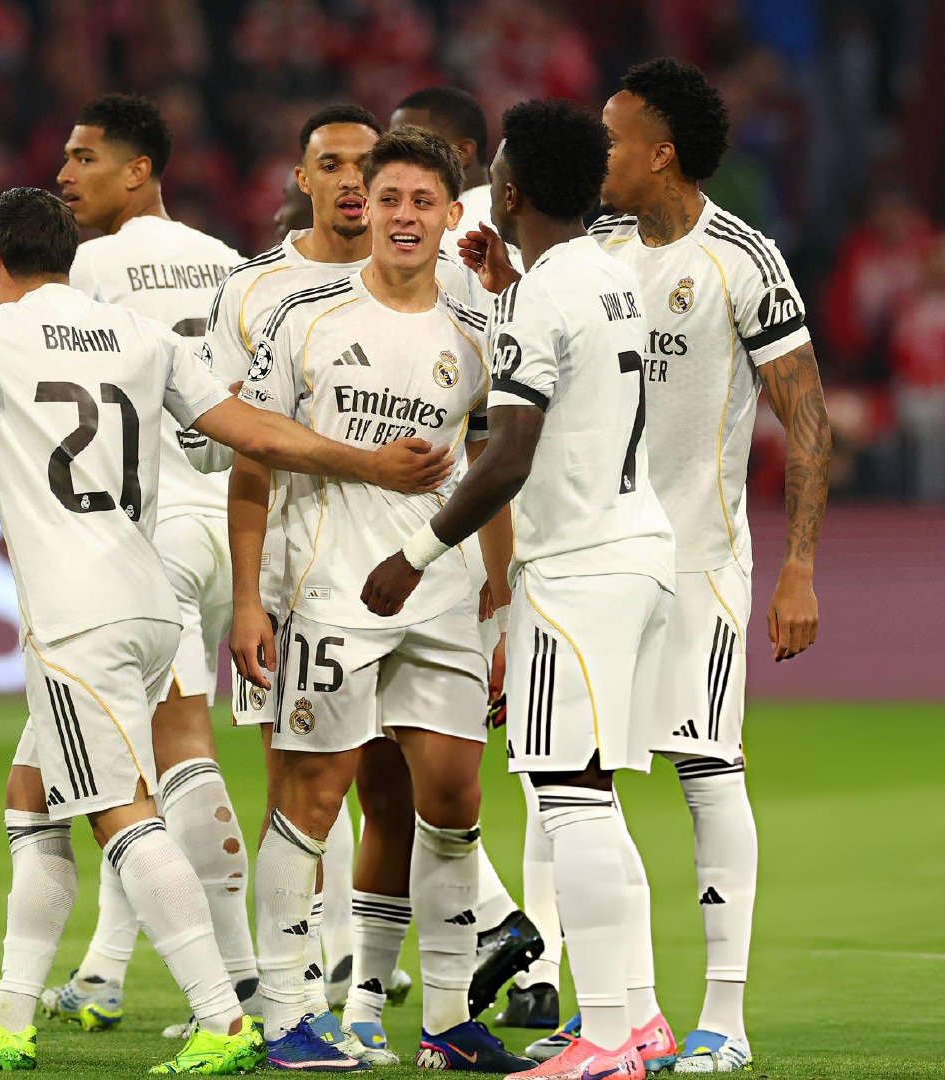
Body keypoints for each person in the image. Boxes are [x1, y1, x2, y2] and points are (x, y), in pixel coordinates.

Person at [0, 185, 455, 1074]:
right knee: (33, 799)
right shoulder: (141, 337)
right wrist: (367, 463)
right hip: (148, 600)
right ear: (68, 256)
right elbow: (253, 435)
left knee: (119, 814)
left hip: (76, 616)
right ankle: (9, 1016)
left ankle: (223, 1016)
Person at [505, 59, 829, 1073]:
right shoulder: (593, 254)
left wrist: (799, 567)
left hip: (700, 560)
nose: (598, 150)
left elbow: (807, 421)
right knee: (572, 778)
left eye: (614, 134)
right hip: (601, 556)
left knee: (706, 768)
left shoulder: (742, 258)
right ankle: (616, 1008)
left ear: (662, 153)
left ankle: (723, 1017)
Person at [207, 106, 536, 1067]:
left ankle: (446, 1023)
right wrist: (246, 599)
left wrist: (500, 595)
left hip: (442, 595)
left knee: (454, 803)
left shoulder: (478, 331)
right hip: (329, 596)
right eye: (388, 197)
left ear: (450, 215)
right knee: (310, 801)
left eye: (421, 200)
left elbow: (493, 468)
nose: (402, 214)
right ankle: (284, 1016)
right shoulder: (305, 317)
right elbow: (251, 461)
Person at [363, 99, 678, 1080]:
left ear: (507, 192)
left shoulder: (546, 295)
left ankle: (606, 1038)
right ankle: (639, 1019)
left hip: (577, 569)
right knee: (594, 801)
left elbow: (505, 457)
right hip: (637, 551)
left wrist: (413, 555)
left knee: (567, 799)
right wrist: (507, 291)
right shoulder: (605, 275)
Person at [0, 92, 258, 1036]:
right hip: (225, 516)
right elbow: (238, 411)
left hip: (129, 544)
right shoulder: (230, 264)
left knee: (144, 776)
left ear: (138, 169)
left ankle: (235, 994)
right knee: (58, 781)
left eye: (84, 158)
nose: (65, 175)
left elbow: (46, 410)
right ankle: (74, 984)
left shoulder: (79, 276)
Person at [391, 86, 524, 273]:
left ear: (462, 152)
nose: (393, 160)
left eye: (410, 146)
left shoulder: (442, 227)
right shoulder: (526, 214)